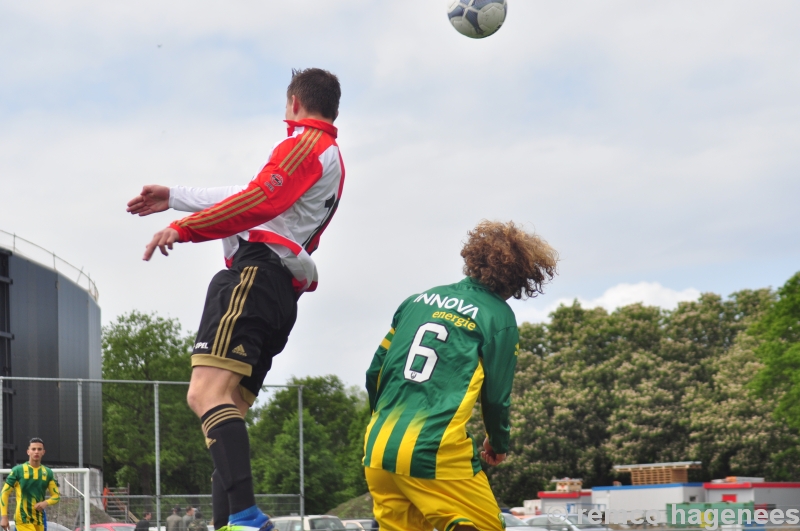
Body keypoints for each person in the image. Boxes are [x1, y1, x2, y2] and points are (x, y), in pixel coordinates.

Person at [126, 68, 343, 531]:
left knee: (204, 393)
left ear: (293, 104)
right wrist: (178, 197)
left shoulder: (306, 144)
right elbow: (250, 193)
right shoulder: (323, 158)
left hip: (255, 276)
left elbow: (260, 199)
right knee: (227, 410)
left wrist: (185, 228)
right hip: (278, 291)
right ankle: (230, 524)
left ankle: (246, 516)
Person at [363, 221, 558, 531]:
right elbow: (496, 397)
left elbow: (375, 371)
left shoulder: (416, 301)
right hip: (434, 452)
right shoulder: (498, 317)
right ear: (521, 279)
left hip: (378, 450)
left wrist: (380, 420)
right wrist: (497, 441)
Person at [0, 438, 60, 531]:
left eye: (39, 449)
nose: (36, 452)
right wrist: (4, 517)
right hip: (22, 518)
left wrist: (45, 503)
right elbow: (4, 493)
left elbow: (56, 496)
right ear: (28, 452)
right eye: (33, 449)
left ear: (43, 452)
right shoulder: (18, 470)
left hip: (39, 519)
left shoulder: (48, 472)